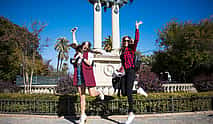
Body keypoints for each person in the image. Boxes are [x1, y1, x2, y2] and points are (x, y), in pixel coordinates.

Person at [70, 27, 104, 124]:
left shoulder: (89, 53)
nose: (85, 47)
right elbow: (75, 42)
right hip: (79, 75)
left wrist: (83, 58)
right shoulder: (78, 52)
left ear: (88, 47)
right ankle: (82, 115)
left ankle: (99, 92)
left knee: (92, 94)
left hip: (88, 75)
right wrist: (73, 33)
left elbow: (89, 63)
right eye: (84, 45)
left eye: (86, 46)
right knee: (82, 96)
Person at [120, 20, 143, 124]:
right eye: (124, 40)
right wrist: (119, 71)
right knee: (124, 92)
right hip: (125, 72)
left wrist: (137, 28)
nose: (125, 42)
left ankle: (131, 113)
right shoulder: (122, 52)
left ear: (129, 42)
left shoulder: (131, 49)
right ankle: (137, 91)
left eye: (127, 40)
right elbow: (123, 65)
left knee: (128, 92)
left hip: (131, 71)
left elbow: (137, 40)